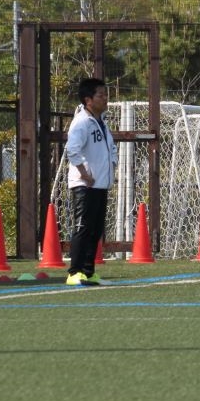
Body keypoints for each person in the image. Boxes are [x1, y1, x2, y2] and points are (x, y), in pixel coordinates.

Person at [64, 78, 117, 287]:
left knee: (95, 230)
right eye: (100, 95)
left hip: (100, 185)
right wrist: (84, 174)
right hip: (85, 186)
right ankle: (74, 272)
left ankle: (88, 272)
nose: (105, 99)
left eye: (106, 94)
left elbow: (111, 148)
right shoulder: (82, 122)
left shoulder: (101, 122)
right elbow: (72, 150)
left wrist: (113, 164)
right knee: (83, 228)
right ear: (88, 100)